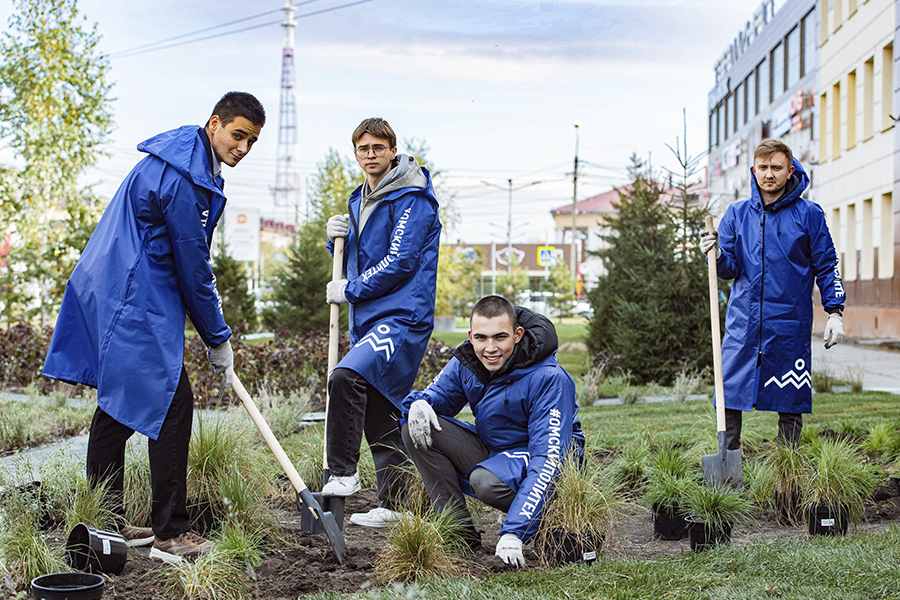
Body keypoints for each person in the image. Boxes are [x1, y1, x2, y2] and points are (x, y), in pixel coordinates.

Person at [42, 92, 265, 562]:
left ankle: (106, 522)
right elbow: (192, 264)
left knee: (119, 409)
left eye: (252, 141)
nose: (243, 147)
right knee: (171, 401)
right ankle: (169, 533)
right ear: (214, 124)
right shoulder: (185, 176)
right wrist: (218, 336)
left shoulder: (186, 159)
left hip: (120, 284)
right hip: (132, 294)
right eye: (238, 134)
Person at [400, 295, 585, 567]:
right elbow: (439, 395)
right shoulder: (470, 360)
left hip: (545, 461)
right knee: (417, 427)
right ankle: (458, 533)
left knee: (485, 480)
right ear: (471, 336)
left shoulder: (549, 378)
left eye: (500, 337)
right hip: (497, 451)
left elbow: (550, 459)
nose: (490, 348)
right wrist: (420, 403)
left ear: (518, 335)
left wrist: (514, 532)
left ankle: (551, 520)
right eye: (481, 338)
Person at [321, 117, 442, 528]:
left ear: (393, 150)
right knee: (381, 407)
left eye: (377, 147)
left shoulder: (413, 198)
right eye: (362, 149)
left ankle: (343, 473)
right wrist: (336, 238)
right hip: (369, 319)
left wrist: (349, 289)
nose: (370, 155)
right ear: (355, 153)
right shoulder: (361, 199)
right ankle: (397, 504)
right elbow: (362, 254)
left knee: (346, 378)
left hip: (402, 317)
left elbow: (400, 261)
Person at [700, 138, 845, 453]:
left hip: (789, 324)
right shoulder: (737, 215)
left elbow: (827, 264)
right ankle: (728, 461)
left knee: (789, 394)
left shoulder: (809, 215)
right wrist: (715, 255)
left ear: (789, 170)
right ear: (754, 170)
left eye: (776, 167)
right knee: (729, 392)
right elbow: (728, 269)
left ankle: (787, 467)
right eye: (763, 167)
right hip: (743, 324)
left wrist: (835, 311)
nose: (769, 174)